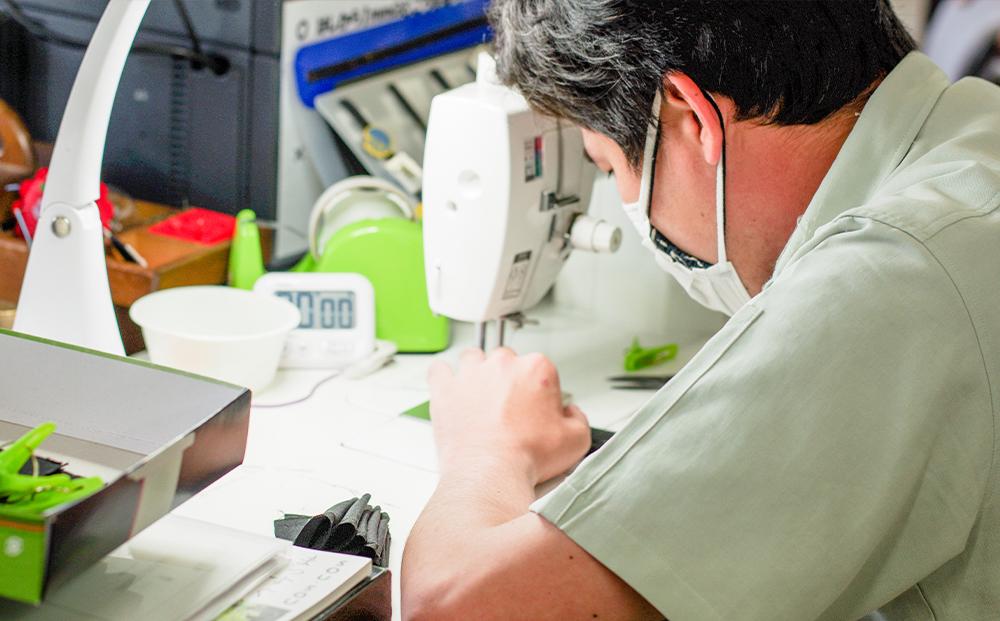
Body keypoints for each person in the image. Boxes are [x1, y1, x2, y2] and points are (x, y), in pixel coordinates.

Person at [401, 1, 1000, 619]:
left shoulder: (887, 278)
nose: (620, 194)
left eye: (606, 166)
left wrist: (484, 447)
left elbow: (451, 606)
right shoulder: (976, 132)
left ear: (691, 119)